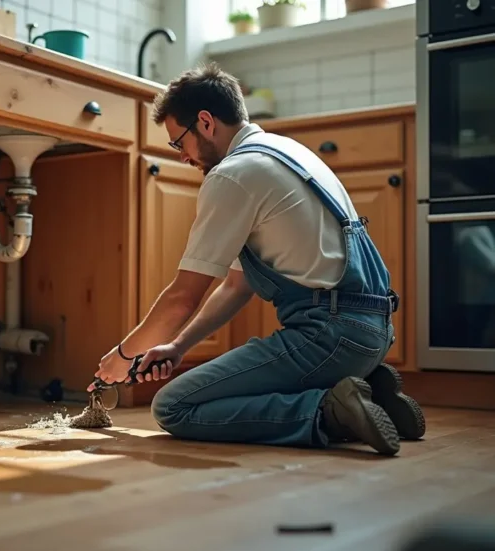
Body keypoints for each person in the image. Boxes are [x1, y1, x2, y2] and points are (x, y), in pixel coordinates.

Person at [89, 63, 425, 456]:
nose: (181, 156)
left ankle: (330, 411)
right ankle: (364, 390)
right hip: (375, 330)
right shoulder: (286, 152)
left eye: (179, 143)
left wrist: (124, 356)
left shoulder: (232, 175)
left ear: (205, 122)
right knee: (208, 389)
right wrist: (178, 347)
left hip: (330, 335)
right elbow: (236, 285)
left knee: (174, 405)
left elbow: (183, 297)